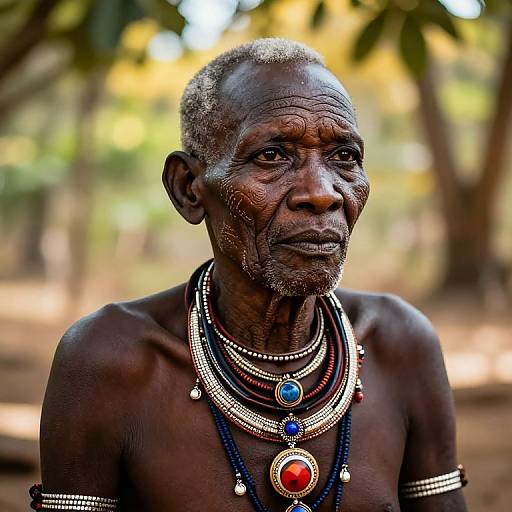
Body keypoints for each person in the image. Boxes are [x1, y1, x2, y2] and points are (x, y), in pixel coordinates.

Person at [34, 38, 467, 512]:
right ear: (188, 189)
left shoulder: (400, 344)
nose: (323, 194)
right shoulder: (110, 363)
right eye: (271, 156)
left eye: (344, 156)